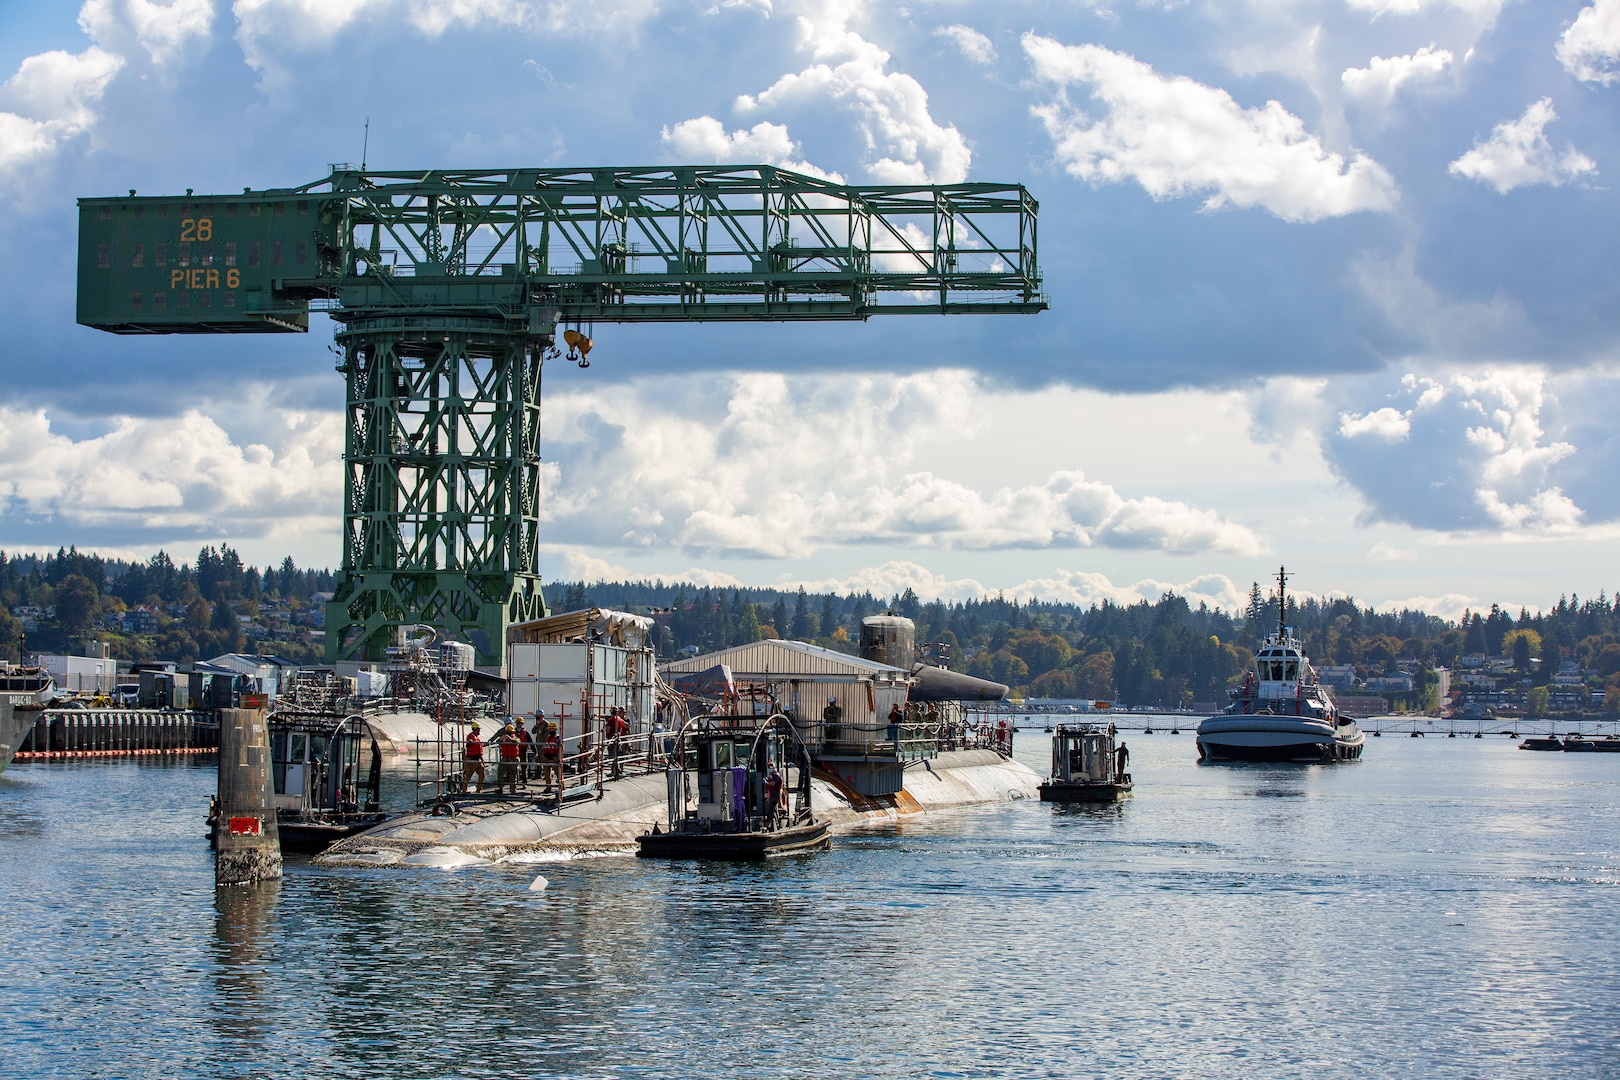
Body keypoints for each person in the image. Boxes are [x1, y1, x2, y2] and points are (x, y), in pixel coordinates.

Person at [495, 722, 522, 794]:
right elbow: (497, 742)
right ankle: (500, 788)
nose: (508, 734)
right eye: (507, 732)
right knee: (500, 772)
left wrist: (510, 739)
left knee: (513, 774)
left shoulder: (515, 738)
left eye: (510, 733)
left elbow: (517, 741)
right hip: (504, 757)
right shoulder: (503, 738)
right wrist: (501, 739)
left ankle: (513, 790)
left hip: (513, 758)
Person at [462, 721, 485, 793]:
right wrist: (470, 742)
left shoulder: (477, 737)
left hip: (478, 759)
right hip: (471, 759)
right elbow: (469, 742)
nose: (479, 731)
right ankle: (464, 791)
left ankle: (478, 790)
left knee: (482, 774)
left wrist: (482, 760)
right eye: (478, 729)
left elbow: (479, 749)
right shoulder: (471, 736)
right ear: (475, 729)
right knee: (468, 776)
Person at [540, 721, 561, 792]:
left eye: (552, 729)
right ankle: (548, 787)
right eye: (550, 729)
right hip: (546, 758)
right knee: (547, 775)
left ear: (555, 729)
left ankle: (562, 787)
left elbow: (561, 748)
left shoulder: (558, 738)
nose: (551, 730)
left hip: (554, 758)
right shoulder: (547, 738)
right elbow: (544, 746)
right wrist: (543, 755)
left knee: (559, 774)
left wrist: (558, 757)